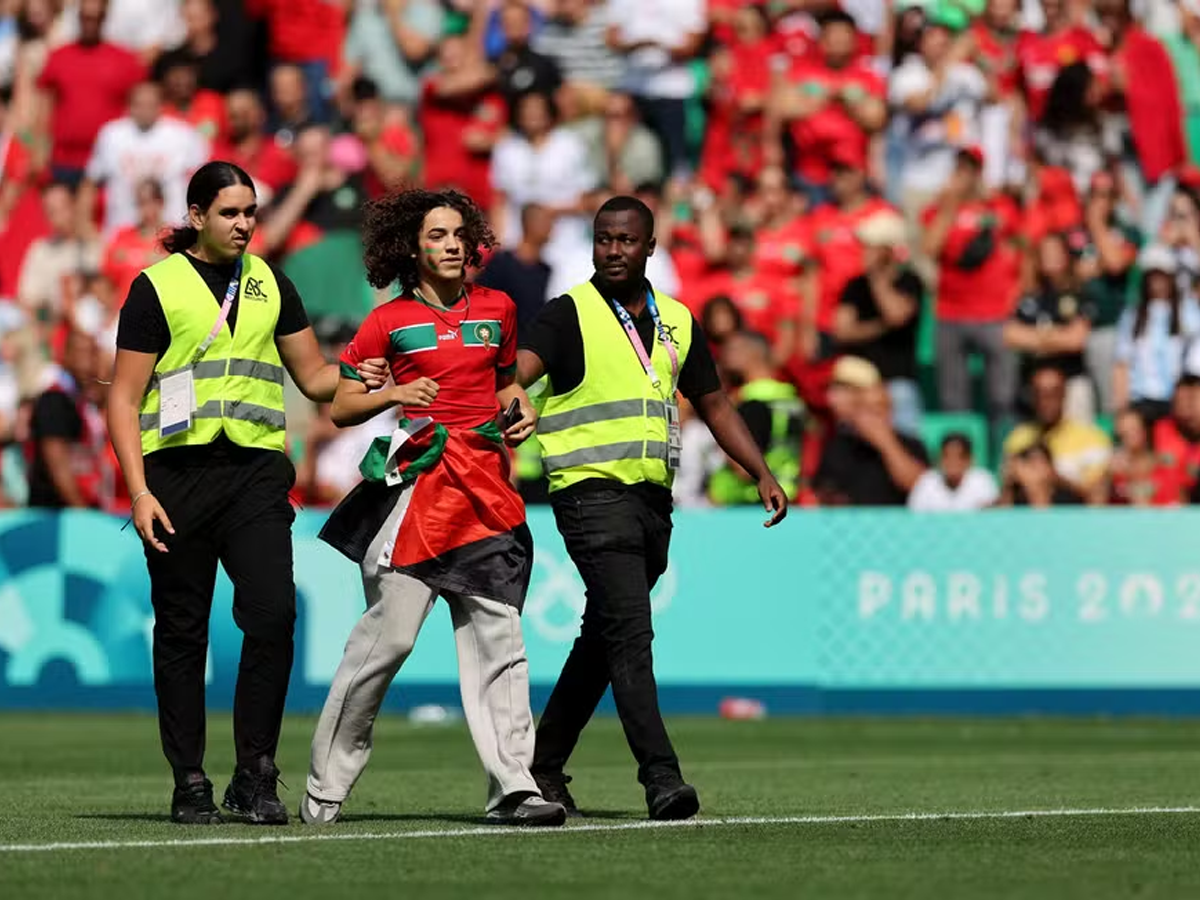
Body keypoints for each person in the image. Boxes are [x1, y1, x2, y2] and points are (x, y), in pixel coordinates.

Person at [106, 161, 388, 826]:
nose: (243, 225)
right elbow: (122, 398)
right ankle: (190, 778)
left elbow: (316, 378)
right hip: (174, 477)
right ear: (197, 215)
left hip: (257, 474)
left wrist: (361, 373)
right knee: (183, 631)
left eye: (251, 213)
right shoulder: (156, 289)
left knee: (272, 614)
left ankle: (255, 773)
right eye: (230, 212)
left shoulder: (270, 282)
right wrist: (139, 492)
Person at [517, 195, 788, 820]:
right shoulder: (567, 315)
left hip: (651, 502)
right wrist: (515, 395)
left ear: (650, 247)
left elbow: (716, 405)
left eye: (625, 240)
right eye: (603, 238)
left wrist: (761, 471)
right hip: (588, 494)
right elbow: (518, 374)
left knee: (603, 639)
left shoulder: (678, 322)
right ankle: (662, 778)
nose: (613, 249)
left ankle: (543, 765)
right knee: (632, 635)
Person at [302, 188, 566, 828]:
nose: (451, 245)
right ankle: (324, 788)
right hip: (416, 493)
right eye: (437, 236)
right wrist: (395, 388)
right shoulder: (387, 322)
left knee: (500, 639)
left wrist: (521, 404)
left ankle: (514, 789)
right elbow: (339, 407)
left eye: (457, 234)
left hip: (486, 493)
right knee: (387, 642)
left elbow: (504, 382)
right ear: (411, 249)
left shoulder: (499, 308)